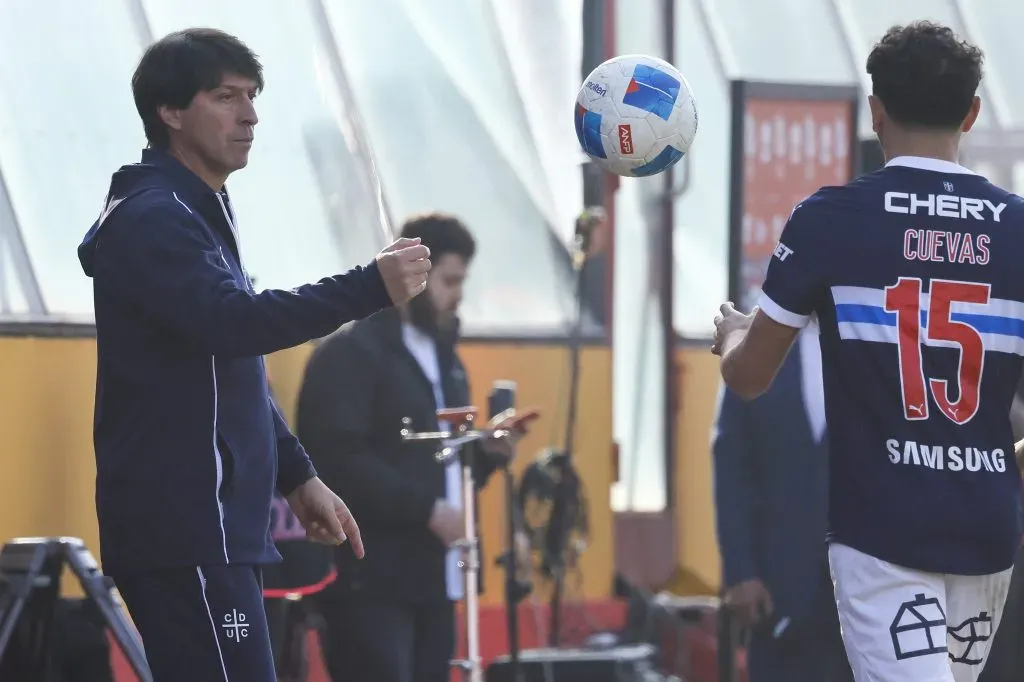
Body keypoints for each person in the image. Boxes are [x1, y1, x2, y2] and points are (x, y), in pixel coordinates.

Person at [76, 28, 431, 682]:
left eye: (253, 96)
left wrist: (296, 475)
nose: (250, 115)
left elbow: (226, 366)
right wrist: (368, 286)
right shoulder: (156, 217)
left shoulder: (198, 208)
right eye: (225, 96)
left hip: (213, 531)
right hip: (186, 530)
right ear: (171, 112)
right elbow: (237, 325)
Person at [712, 21, 1023, 682]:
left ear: (876, 110)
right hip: (989, 529)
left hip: (881, 535)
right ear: (971, 112)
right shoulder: (1018, 228)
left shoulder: (830, 218)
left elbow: (748, 379)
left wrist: (735, 332)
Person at [296, 212, 521, 682]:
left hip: (434, 580)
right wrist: (426, 510)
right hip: (369, 581)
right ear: (415, 277)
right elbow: (336, 461)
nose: (458, 294)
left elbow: (444, 466)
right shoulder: (350, 355)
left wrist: (487, 456)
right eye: (449, 280)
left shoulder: (448, 361)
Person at [713, 321, 852, 682]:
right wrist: (740, 572)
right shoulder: (758, 345)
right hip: (779, 589)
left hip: (865, 584)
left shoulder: (876, 338)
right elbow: (731, 464)